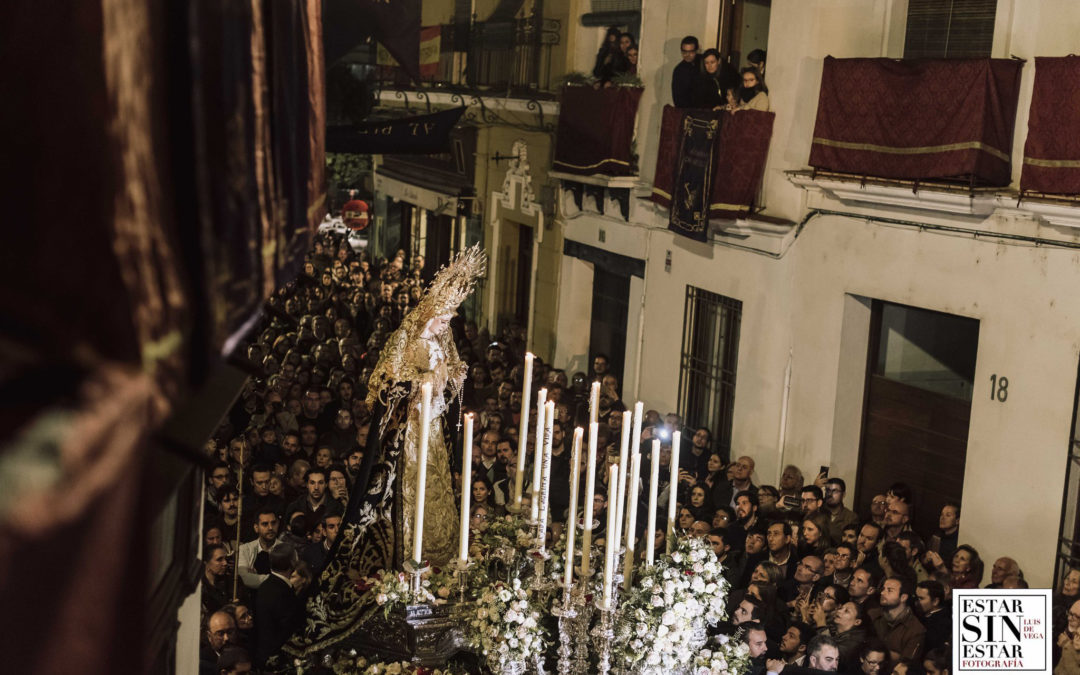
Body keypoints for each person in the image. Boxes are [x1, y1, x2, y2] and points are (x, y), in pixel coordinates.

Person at [253, 546, 302, 666]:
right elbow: (287, 629)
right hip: (277, 660)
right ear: (292, 563)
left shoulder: (265, 586)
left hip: (263, 654)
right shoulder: (283, 593)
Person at [872, 577, 925, 664]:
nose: (882, 593)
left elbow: (906, 664)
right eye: (883, 589)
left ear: (903, 597)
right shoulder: (872, 615)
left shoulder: (916, 630)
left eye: (889, 590)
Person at [672, 36, 700, 107]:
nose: (687, 55)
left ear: (697, 50)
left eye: (691, 52)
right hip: (688, 111)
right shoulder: (679, 70)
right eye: (684, 52)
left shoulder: (705, 63)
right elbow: (677, 98)